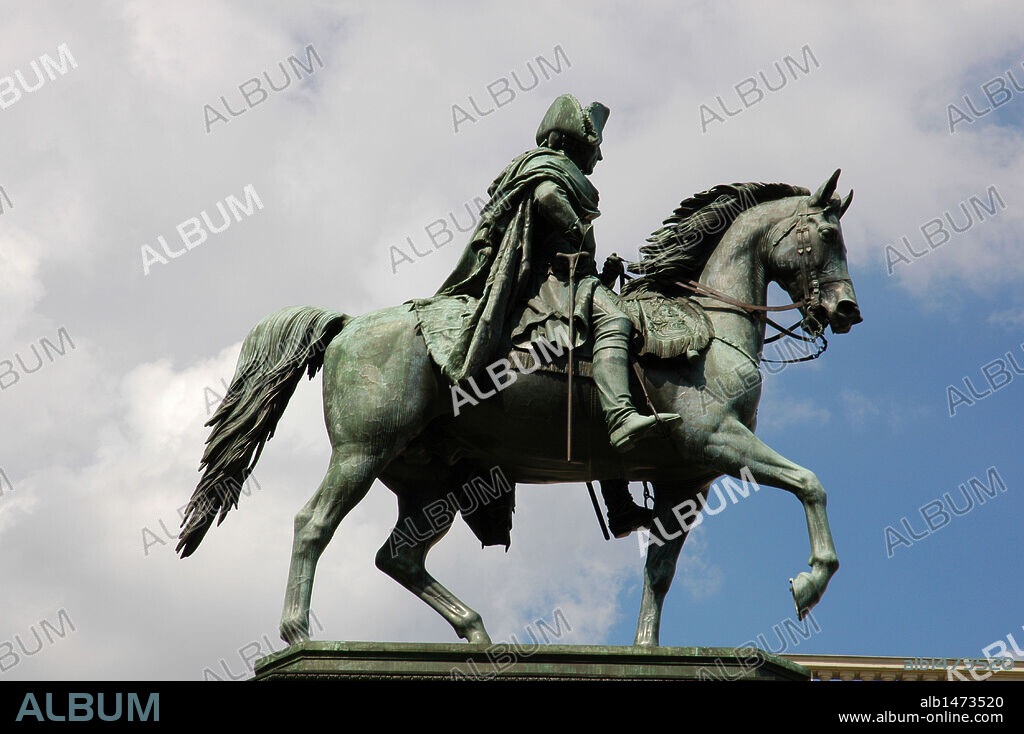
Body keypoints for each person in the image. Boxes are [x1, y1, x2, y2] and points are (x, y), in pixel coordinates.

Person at [416, 94, 677, 534]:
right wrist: (576, 229)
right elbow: (544, 196)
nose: (600, 154)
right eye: (596, 144)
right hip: (553, 284)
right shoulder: (544, 167)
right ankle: (621, 418)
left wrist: (603, 269)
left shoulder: (558, 172)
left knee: (625, 358)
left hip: (578, 277)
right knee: (618, 322)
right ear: (576, 140)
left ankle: (621, 501)